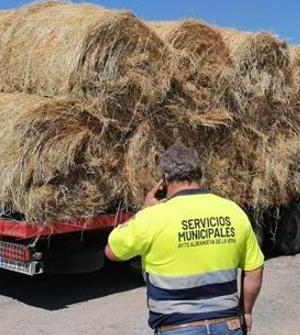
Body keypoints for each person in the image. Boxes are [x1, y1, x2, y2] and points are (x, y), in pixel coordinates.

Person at [105, 143, 264, 334]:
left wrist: (144, 210)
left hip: (176, 328)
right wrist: (246, 313)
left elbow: (112, 251)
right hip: (227, 325)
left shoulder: (152, 218)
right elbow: (254, 268)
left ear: (164, 180)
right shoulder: (233, 211)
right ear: (200, 176)